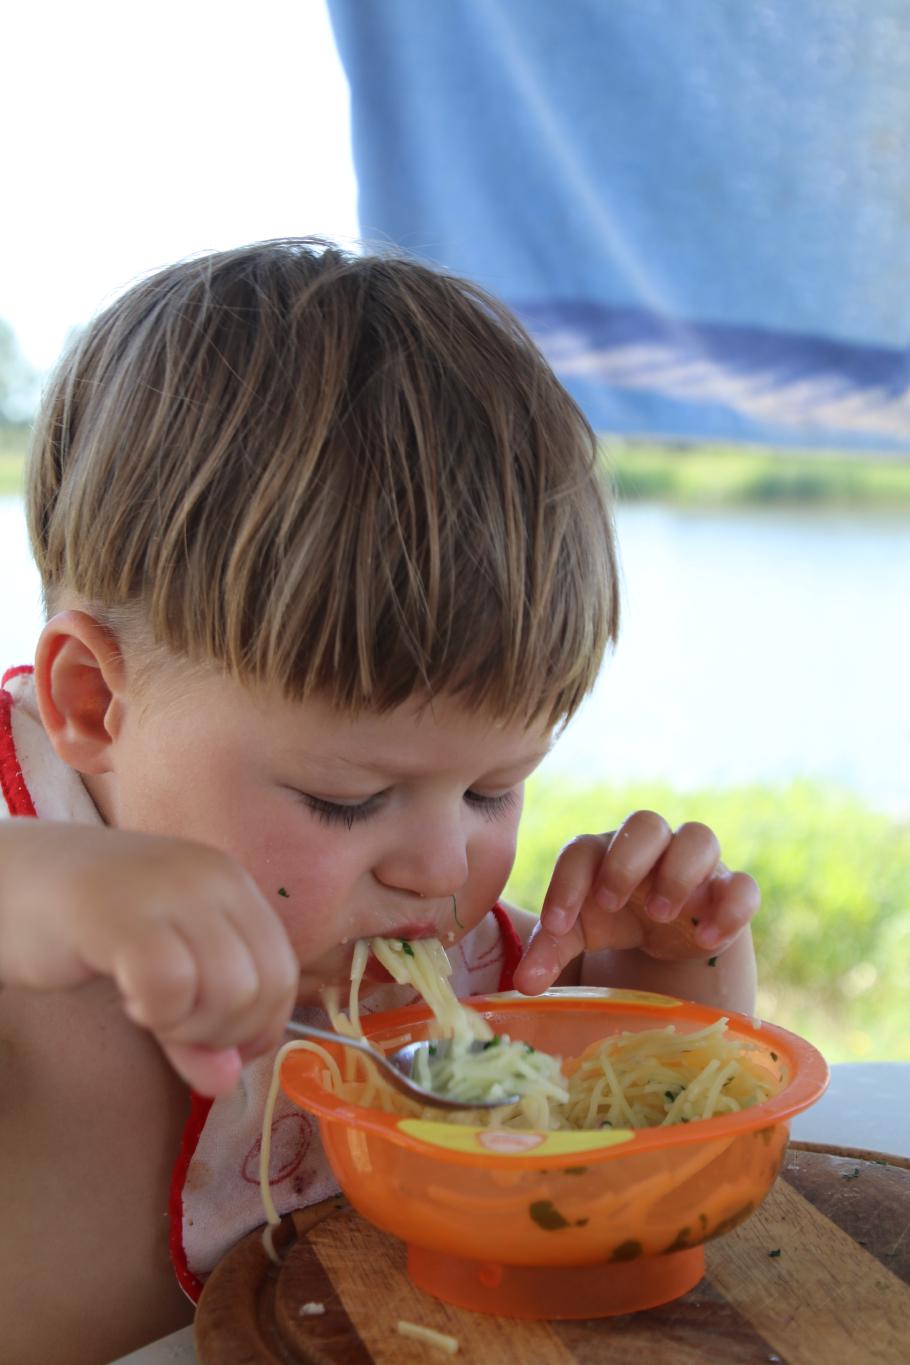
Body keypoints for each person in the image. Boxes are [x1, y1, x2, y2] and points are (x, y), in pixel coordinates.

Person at [0, 239, 759, 1363]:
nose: (442, 869)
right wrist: (35, 888)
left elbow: (622, 1161)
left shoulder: (412, 965)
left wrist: (652, 970)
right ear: (94, 705)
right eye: (347, 798)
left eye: (496, 790)